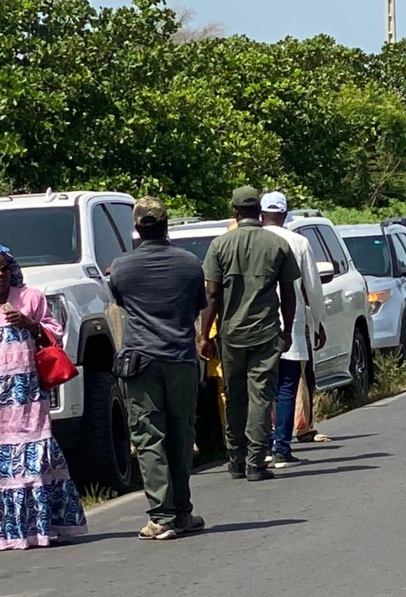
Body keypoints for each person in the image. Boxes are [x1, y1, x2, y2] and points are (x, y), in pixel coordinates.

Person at [109, 196, 207, 541]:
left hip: (141, 360)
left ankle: (162, 516)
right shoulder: (190, 264)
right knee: (182, 435)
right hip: (180, 357)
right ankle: (182, 512)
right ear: (166, 224)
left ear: (137, 228)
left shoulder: (121, 267)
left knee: (149, 436)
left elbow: (121, 302)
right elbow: (196, 306)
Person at [199, 186, 300, 481]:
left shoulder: (220, 245)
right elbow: (289, 294)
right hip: (266, 331)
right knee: (261, 396)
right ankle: (256, 462)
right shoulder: (278, 244)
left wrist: (204, 335)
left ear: (235, 212)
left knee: (234, 395)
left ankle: (236, 458)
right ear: (259, 211)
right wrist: (288, 330)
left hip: (231, 333)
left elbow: (212, 294)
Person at [0, 246, 87, 549]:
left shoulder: (30, 297)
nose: (0, 275)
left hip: (28, 398)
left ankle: (40, 529)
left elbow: (54, 335)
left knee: (35, 458)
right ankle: (10, 533)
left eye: (4, 269)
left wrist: (29, 324)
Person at [259, 191, 326, 467]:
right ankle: (282, 449)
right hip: (292, 322)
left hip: (257, 325)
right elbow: (312, 286)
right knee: (287, 386)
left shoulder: (252, 240)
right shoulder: (299, 242)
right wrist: (318, 322)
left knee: (261, 388)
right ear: (285, 215)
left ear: (261, 213)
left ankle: (262, 447)